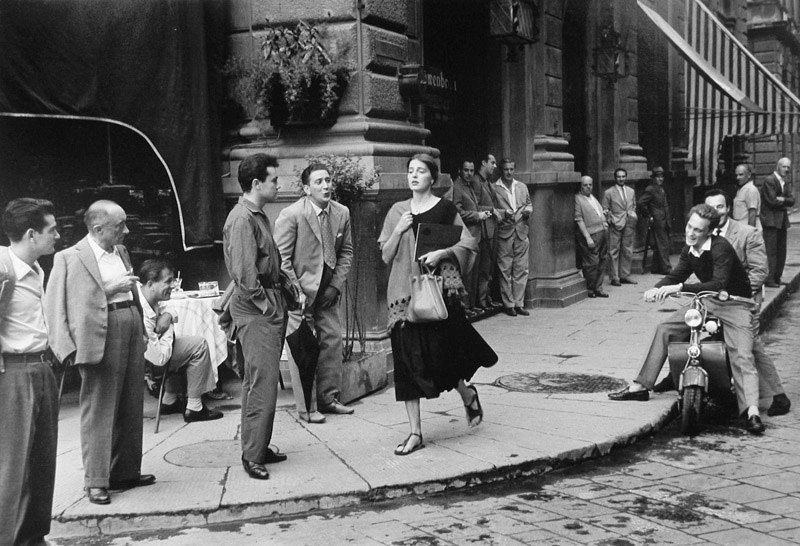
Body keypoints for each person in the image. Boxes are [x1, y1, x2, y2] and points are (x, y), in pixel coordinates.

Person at [608, 204, 765, 434]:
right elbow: (677, 274)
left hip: (735, 304)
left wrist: (678, 288)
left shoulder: (721, 247)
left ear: (709, 232)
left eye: (698, 230)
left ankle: (751, 411)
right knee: (665, 328)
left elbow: (717, 283)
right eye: (689, 226)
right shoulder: (689, 249)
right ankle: (640, 386)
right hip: (707, 301)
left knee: (742, 354)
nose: (691, 233)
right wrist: (657, 289)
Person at [378, 154, 497, 455]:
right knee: (406, 364)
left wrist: (442, 253)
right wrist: (398, 230)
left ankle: (466, 392)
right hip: (404, 295)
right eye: (410, 171)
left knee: (443, 356)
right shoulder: (397, 211)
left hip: (438, 292)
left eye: (421, 171)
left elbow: (468, 243)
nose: (414, 176)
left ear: (433, 178)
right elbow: (385, 255)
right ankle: (415, 432)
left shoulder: (445, 209)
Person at [45, 200, 154, 505]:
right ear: (98, 228)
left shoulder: (120, 252)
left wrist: (142, 328)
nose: (127, 230)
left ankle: (126, 471)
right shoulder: (69, 258)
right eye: (120, 225)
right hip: (98, 332)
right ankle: (96, 480)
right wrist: (65, 349)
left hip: (129, 324)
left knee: (131, 402)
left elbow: (131, 291)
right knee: (99, 408)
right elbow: (55, 306)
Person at [222, 153, 288, 480]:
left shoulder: (255, 215)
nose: (279, 185)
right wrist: (268, 305)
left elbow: (267, 261)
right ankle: (253, 455)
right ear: (256, 184)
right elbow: (246, 276)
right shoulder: (242, 219)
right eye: (274, 180)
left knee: (259, 381)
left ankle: (257, 446)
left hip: (266, 303)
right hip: (257, 307)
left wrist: (286, 287)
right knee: (262, 382)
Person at [274, 163, 354, 423]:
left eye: (328, 180)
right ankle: (307, 409)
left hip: (327, 292)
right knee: (303, 350)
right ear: (307, 188)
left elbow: (346, 252)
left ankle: (329, 398)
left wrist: (334, 286)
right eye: (319, 182)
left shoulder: (341, 213)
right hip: (300, 295)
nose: (326, 185)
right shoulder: (292, 214)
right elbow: (281, 259)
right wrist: (296, 292)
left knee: (331, 341)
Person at [0, 198, 60, 545]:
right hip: (14, 374)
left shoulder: (35, 270)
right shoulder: (5, 270)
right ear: (31, 234)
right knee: (13, 466)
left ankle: (34, 537)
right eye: (51, 230)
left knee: (41, 461)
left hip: (41, 369)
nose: (57, 235)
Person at [704, 190, 790, 416]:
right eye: (711, 208)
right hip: (717, 299)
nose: (716, 212)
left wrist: (731, 293)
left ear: (728, 208)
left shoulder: (747, 233)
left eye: (720, 207)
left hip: (743, 299)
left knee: (750, 345)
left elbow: (760, 271)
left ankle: (779, 396)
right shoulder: (704, 233)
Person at [137, 259, 222, 423]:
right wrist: (168, 328)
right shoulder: (143, 311)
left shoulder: (149, 297)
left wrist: (167, 316)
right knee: (199, 345)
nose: (173, 285)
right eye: (168, 281)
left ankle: (170, 399)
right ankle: (195, 407)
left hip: (151, 357)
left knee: (180, 344)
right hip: (149, 366)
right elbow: (159, 359)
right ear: (150, 284)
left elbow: (170, 310)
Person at [444, 159, 498, 314]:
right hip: (466, 235)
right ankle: (465, 307)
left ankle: (472, 304)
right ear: (460, 170)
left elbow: (474, 206)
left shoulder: (469, 186)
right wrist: (476, 215)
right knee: (467, 273)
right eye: (466, 170)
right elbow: (457, 211)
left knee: (475, 272)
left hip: (477, 234)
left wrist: (487, 211)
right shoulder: (458, 186)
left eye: (471, 171)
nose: (469, 174)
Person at [492, 158, 532, 316]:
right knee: (505, 269)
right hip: (504, 232)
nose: (509, 172)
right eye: (506, 169)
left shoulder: (521, 186)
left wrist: (529, 210)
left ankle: (519, 303)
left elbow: (528, 203)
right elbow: (492, 208)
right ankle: (508, 304)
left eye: (511, 169)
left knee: (521, 268)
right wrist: (503, 213)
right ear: (501, 170)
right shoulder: (495, 188)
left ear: (514, 170)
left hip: (521, 231)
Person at [760, 157, 795, 287]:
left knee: (781, 251)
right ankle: (769, 279)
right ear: (777, 166)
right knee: (771, 251)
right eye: (784, 166)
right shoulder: (769, 180)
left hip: (781, 221)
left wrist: (782, 199)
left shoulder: (784, 181)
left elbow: (792, 201)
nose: (786, 169)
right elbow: (772, 201)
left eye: (788, 167)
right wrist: (784, 200)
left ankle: (777, 277)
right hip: (771, 221)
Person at [574, 176, 609, 298]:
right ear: (581, 186)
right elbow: (579, 219)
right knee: (591, 262)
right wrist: (587, 237)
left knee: (603, 260)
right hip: (591, 234)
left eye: (590, 185)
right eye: (585, 185)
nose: (588, 187)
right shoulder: (578, 199)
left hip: (603, 231)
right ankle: (590, 288)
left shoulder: (593, 197)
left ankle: (598, 288)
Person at [603, 167, 638, 286]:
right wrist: (611, 220)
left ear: (626, 177)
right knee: (613, 251)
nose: (621, 179)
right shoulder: (609, 192)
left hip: (629, 222)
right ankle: (614, 277)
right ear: (615, 178)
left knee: (627, 249)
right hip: (615, 223)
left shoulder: (631, 191)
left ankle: (625, 275)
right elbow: (605, 209)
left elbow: (633, 205)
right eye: (619, 176)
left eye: (623, 176)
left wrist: (632, 216)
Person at [637, 166, 672, 274]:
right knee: (663, 244)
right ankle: (667, 268)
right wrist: (648, 215)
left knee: (659, 244)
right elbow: (640, 203)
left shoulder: (661, 188)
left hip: (664, 219)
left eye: (662, 177)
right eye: (658, 177)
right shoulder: (650, 189)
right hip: (657, 220)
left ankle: (656, 268)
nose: (660, 179)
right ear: (653, 178)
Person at [732, 164, 761, 229]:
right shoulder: (742, 189)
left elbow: (752, 213)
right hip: (740, 227)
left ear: (749, 175)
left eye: (741, 175)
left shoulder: (750, 190)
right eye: (736, 175)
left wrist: (750, 233)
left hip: (746, 228)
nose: (737, 177)